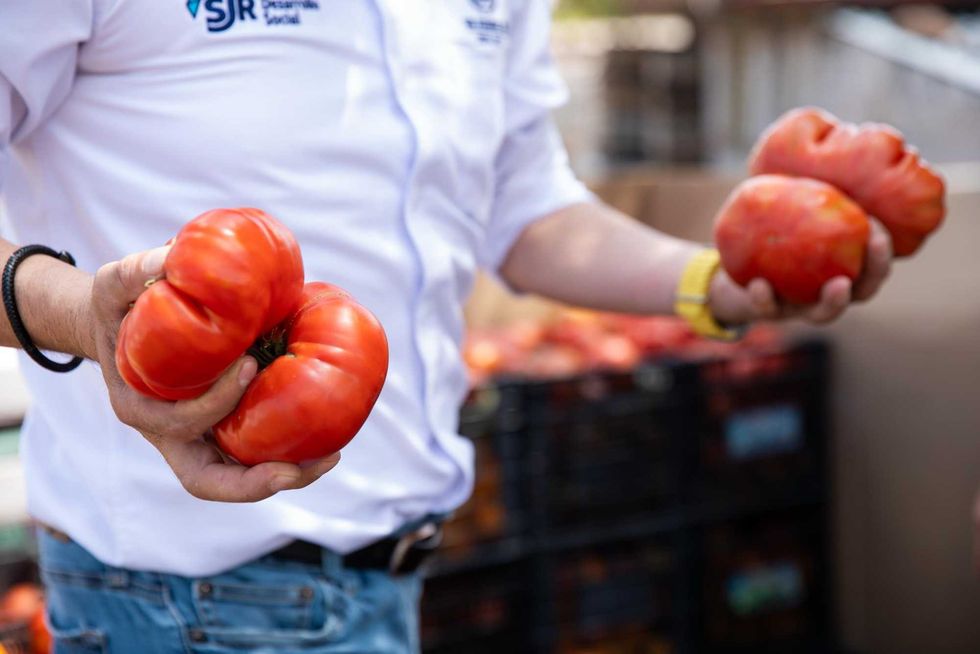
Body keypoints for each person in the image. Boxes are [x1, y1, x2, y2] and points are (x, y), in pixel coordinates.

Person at [0, 1, 892, 652]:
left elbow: (527, 209)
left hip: (390, 576)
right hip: (175, 601)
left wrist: (716, 282)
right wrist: (83, 315)